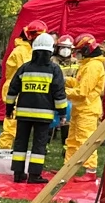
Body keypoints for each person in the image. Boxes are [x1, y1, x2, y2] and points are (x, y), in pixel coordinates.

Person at [5, 33, 66, 184]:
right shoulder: (54, 69)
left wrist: (9, 108)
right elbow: (59, 92)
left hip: (23, 114)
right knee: (39, 144)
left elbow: (12, 89)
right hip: (43, 116)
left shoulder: (25, 68)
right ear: (50, 51)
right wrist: (62, 113)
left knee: (20, 143)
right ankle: (34, 176)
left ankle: (18, 174)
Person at [0, 20, 47, 149]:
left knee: (20, 125)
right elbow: (26, 71)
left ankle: (13, 151)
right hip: (16, 89)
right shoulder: (21, 51)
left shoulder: (29, 50)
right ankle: (4, 149)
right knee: (11, 123)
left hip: (24, 89)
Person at [64, 34, 105, 180]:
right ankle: (68, 168)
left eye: (80, 51)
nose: (78, 54)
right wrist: (65, 80)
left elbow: (82, 92)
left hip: (87, 109)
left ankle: (90, 171)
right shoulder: (88, 65)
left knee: (85, 140)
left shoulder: (93, 67)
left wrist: (62, 91)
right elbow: (79, 84)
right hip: (80, 108)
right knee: (73, 140)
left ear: (88, 50)